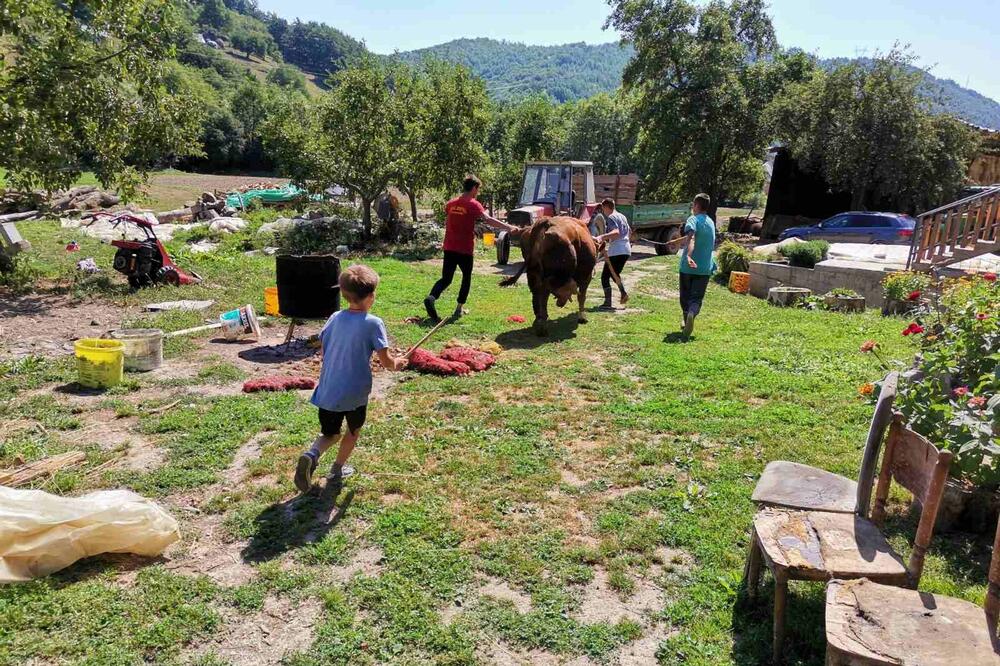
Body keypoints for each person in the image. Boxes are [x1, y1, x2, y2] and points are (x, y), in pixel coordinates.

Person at [294, 265, 407, 493]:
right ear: (371, 296)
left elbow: (324, 348)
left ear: (344, 294)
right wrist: (398, 363)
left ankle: (311, 454)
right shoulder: (373, 323)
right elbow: (386, 362)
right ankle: (337, 469)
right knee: (352, 431)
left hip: (328, 389)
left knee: (330, 434)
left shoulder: (335, 317)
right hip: (355, 393)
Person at [424, 175, 517, 322]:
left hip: (449, 247)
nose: (478, 192)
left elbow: (452, 220)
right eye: (478, 189)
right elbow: (488, 220)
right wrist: (509, 227)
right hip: (464, 249)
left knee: (446, 279)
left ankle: (431, 298)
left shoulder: (451, 204)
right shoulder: (473, 204)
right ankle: (459, 309)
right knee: (466, 277)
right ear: (474, 188)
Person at [679, 193, 717, 337]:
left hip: (688, 268)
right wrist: (676, 242)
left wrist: (688, 256)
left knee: (685, 297)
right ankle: (691, 314)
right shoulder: (710, 222)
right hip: (704, 268)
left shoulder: (693, 219)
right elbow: (695, 237)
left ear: (696, 205)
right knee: (696, 299)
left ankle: (686, 319)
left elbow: (692, 237)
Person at [591, 198, 631, 309]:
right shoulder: (622, 216)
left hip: (617, 250)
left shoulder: (611, 217)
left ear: (606, 207)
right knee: (614, 274)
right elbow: (629, 231)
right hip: (625, 249)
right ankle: (623, 293)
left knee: (605, 277)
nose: (603, 212)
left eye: (603, 209)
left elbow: (616, 232)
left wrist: (601, 237)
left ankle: (608, 303)